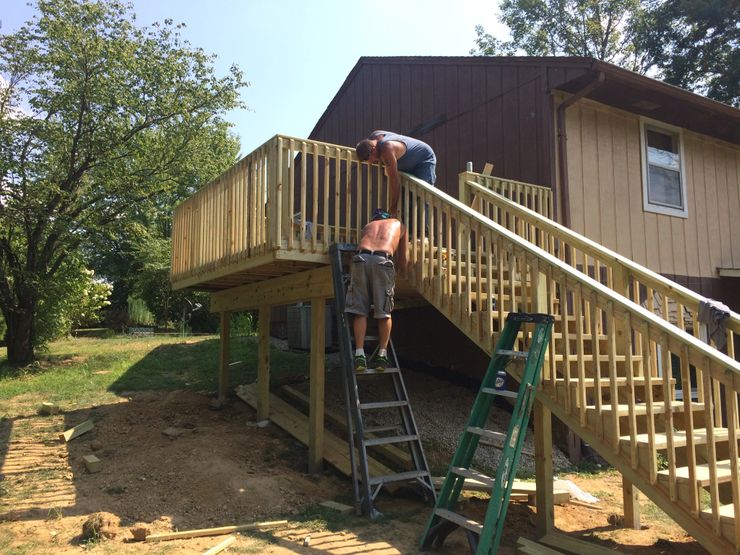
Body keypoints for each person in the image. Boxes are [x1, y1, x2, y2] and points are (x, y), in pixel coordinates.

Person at [345, 208, 408, 372]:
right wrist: (399, 271)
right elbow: (403, 258)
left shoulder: (368, 226)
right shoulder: (399, 225)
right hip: (383, 259)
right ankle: (382, 355)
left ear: (375, 218)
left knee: (360, 311)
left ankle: (359, 355)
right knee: (384, 312)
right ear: (389, 218)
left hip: (360, 258)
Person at [355, 131, 436, 218]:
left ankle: (425, 231)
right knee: (407, 199)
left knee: (423, 196)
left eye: (367, 158)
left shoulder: (386, 148)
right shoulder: (375, 136)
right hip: (408, 162)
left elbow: (394, 179)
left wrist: (393, 208)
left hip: (423, 160)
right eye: (365, 160)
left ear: (373, 149)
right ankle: (408, 229)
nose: (369, 162)